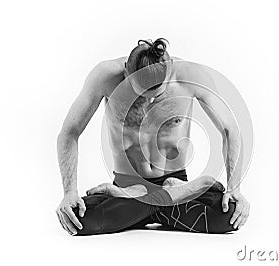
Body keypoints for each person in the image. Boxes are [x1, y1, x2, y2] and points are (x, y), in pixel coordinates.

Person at [56, 38, 250, 235]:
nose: (149, 100)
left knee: (231, 215)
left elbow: (229, 129)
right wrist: (69, 193)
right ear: (126, 71)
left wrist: (234, 189)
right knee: (77, 219)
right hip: (134, 188)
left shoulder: (191, 76)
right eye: (140, 93)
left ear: (170, 69)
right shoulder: (105, 77)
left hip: (167, 184)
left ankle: (142, 200)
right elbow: (70, 132)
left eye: (156, 94)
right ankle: (169, 197)